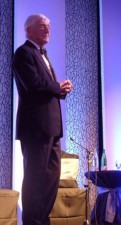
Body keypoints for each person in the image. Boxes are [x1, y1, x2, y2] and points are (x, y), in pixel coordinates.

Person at [12, 14, 73, 225]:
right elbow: (33, 85)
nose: (47, 30)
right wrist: (57, 87)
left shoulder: (43, 53)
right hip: (36, 128)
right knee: (35, 179)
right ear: (28, 30)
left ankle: (42, 220)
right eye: (41, 26)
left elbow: (46, 87)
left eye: (48, 26)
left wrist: (61, 89)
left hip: (52, 128)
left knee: (50, 180)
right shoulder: (23, 53)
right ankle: (32, 221)